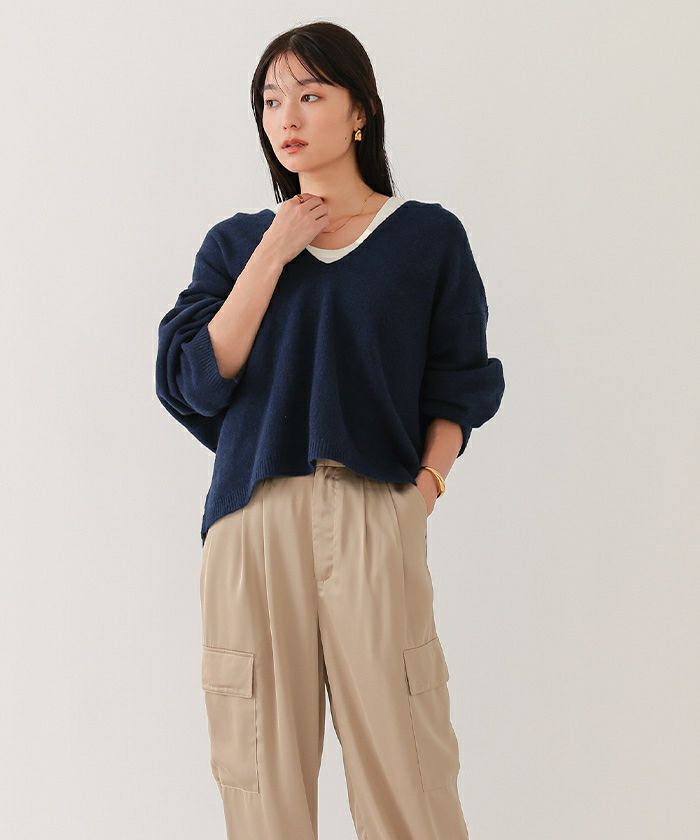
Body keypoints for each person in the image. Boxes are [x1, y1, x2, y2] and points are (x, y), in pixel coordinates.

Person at [155, 20, 505, 840]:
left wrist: (423, 491)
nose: (288, 117)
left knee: (408, 770)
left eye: (310, 95)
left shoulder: (426, 237)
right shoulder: (237, 245)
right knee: (260, 779)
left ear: (360, 112)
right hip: (252, 518)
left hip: (374, 511)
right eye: (271, 100)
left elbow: (459, 382)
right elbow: (197, 378)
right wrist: (273, 252)